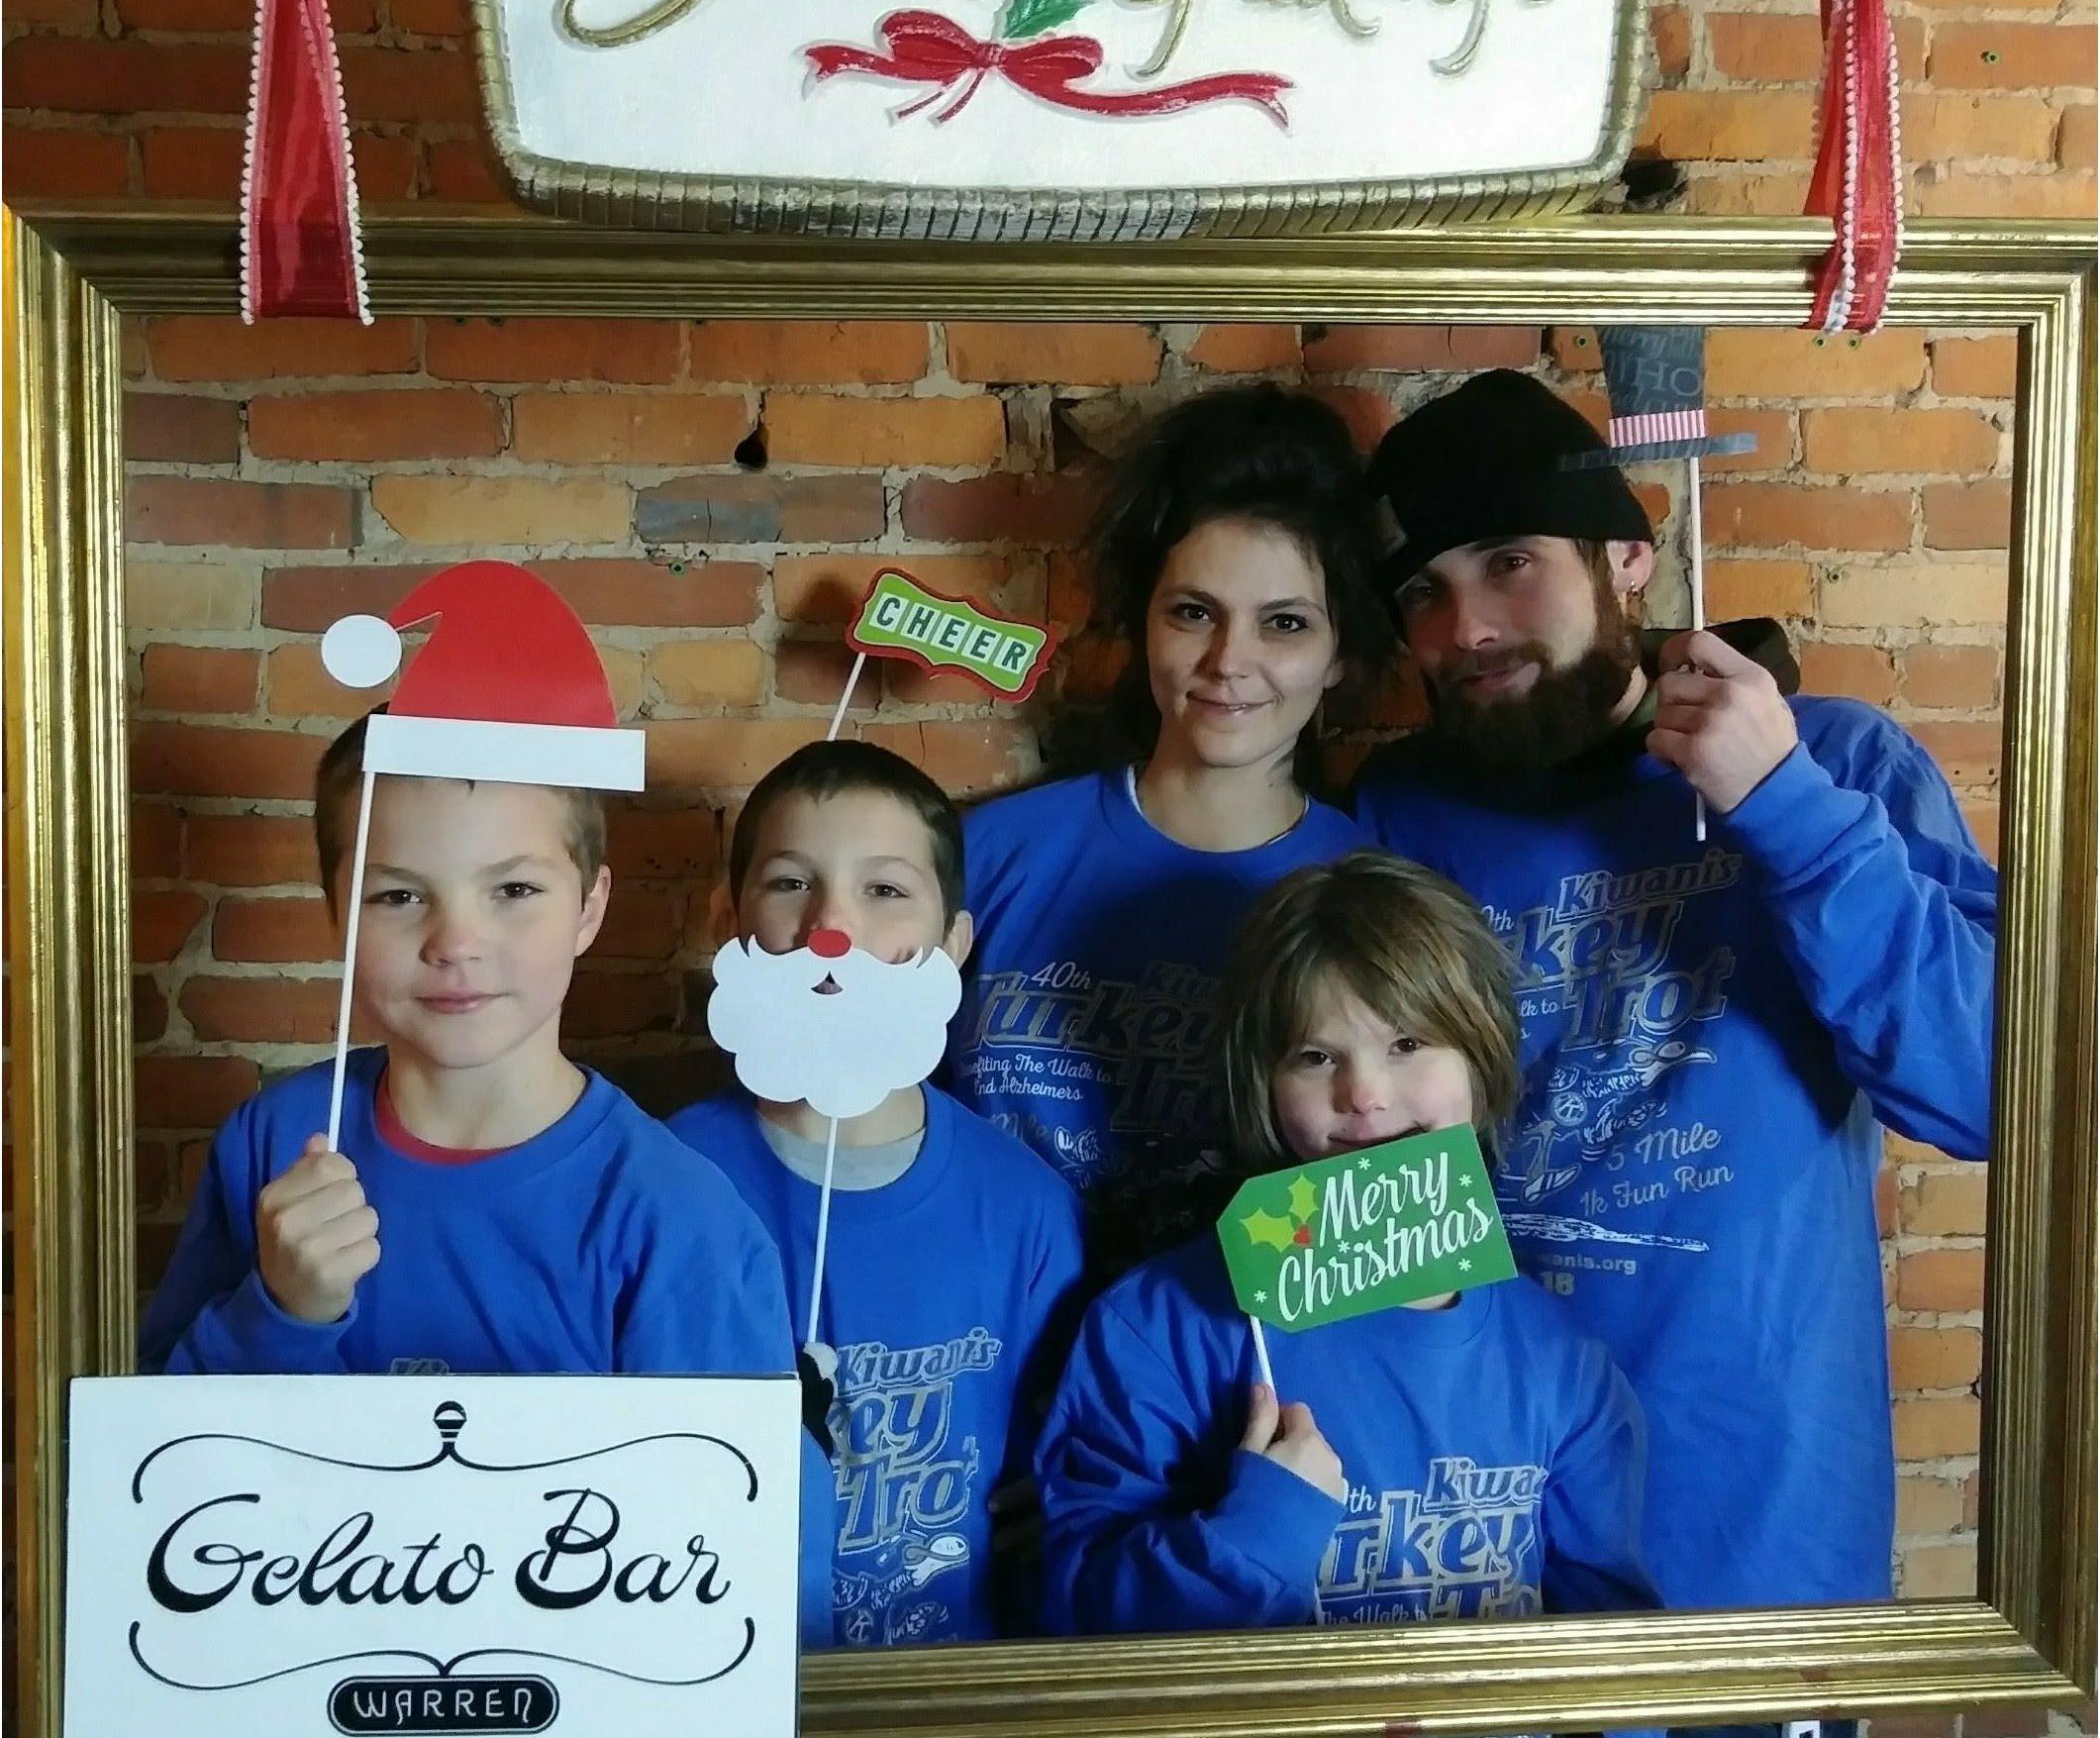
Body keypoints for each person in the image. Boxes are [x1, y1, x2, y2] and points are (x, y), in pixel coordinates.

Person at [1351, 367, 1997, 1613]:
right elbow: (1364, 1170)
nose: (1465, 627)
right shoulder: (1399, 810)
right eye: (1422, 592)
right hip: (1477, 1529)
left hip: (1764, 1546)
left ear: (1627, 558)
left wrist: (1788, 809)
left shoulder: (1838, 759)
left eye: (1509, 564)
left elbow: (1990, 1091)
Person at [140, 712, 838, 1640]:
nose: (454, 941)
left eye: (513, 888)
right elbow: (151, 1475)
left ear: (589, 906)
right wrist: (278, 1313)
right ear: (335, 908)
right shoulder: (271, 1143)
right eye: (397, 895)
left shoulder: (677, 1219)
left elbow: (758, 1554)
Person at [1035, 851, 1656, 1635]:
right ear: (1263, 1085)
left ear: (1482, 1058)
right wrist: (1258, 1532)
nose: (1362, 1094)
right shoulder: (1157, 1325)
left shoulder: (1560, 1359)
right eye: (1315, 1055)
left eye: (1408, 1043)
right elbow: (1080, 1621)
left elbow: (1610, 1643)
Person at [949, 385, 1394, 1274]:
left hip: (1227, 1345)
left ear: (1339, 654)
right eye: (1193, 611)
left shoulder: (1374, 898)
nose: (1229, 660)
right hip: (982, 1332)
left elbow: (1380, 1215)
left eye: (1284, 623)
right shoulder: (987, 855)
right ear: (1143, 623)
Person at [673, 741, 1086, 1649]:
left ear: (953, 944)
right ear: (727, 921)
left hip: (946, 1681)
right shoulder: (665, 1184)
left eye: (885, 889)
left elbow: (1049, 1477)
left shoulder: (1025, 1209)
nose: (831, 927)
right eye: (791, 882)